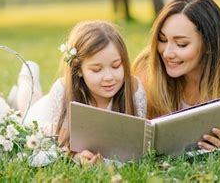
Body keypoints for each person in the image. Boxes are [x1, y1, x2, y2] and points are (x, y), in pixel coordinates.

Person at [133, 0, 220, 150]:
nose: (167, 53)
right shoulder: (148, 64)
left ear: (208, 44)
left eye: (181, 44)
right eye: (163, 40)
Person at [23, 21, 146, 164]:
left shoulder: (134, 90)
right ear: (79, 69)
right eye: (96, 70)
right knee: (27, 105)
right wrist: (75, 156)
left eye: (116, 66)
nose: (109, 77)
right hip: (44, 118)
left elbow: (137, 145)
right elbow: (60, 145)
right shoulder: (63, 91)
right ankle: (28, 74)